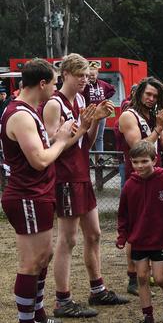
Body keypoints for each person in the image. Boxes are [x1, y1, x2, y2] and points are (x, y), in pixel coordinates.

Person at [40, 54, 127, 319]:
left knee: (95, 234)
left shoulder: (79, 100)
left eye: (87, 76)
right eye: (80, 75)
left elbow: (84, 143)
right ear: (65, 74)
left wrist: (97, 119)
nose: (85, 81)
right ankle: (62, 299)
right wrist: (80, 130)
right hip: (65, 176)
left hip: (80, 172)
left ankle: (97, 288)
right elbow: (54, 147)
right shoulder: (54, 104)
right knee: (68, 239)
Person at [1, 58, 75, 323]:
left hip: (37, 193)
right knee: (31, 262)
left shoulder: (29, 110)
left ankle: (38, 313)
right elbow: (40, 160)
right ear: (42, 83)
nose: (56, 90)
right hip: (26, 195)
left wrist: (67, 134)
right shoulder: (20, 115)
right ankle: (26, 319)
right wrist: (62, 140)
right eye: (54, 84)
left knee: (44, 256)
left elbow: (44, 148)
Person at [117, 140, 163, 323]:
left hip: (160, 239)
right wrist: (123, 236)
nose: (140, 166)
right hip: (138, 239)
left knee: (160, 278)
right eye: (135, 162)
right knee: (142, 278)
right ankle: (148, 316)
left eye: (144, 161)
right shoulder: (129, 186)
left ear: (154, 160)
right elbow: (122, 214)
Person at [116, 77, 163, 295]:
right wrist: (158, 128)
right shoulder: (129, 115)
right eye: (148, 94)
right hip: (135, 179)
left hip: (154, 178)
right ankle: (133, 277)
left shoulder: (152, 116)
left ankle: (143, 273)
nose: (150, 99)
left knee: (150, 225)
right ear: (139, 93)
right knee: (135, 229)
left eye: (155, 96)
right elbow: (139, 148)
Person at [82, 61, 115, 164]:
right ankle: (89, 157)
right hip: (89, 113)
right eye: (90, 75)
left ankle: (100, 157)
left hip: (101, 113)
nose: (92, 77)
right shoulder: (85, 85)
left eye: (93, 75)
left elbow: (112, 89)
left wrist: (105, 97)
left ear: (97, 74)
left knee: (99, 137)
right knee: (87, 135)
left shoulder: (102, 84)